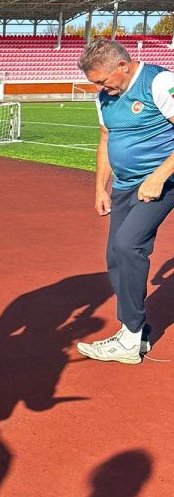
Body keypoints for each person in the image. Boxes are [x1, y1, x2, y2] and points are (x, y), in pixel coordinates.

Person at [76, 38, 174, 364]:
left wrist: (159, 177)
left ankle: (130, 337)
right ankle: (137, 332)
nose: (101, 87)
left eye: (103, 80)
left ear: (123, 65)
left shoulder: (159, 82)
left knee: (129, 245)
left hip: (162, 182)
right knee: (115, 256)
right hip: (124, 186)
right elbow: (105, 140)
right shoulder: (104, 97)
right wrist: (100, 189)